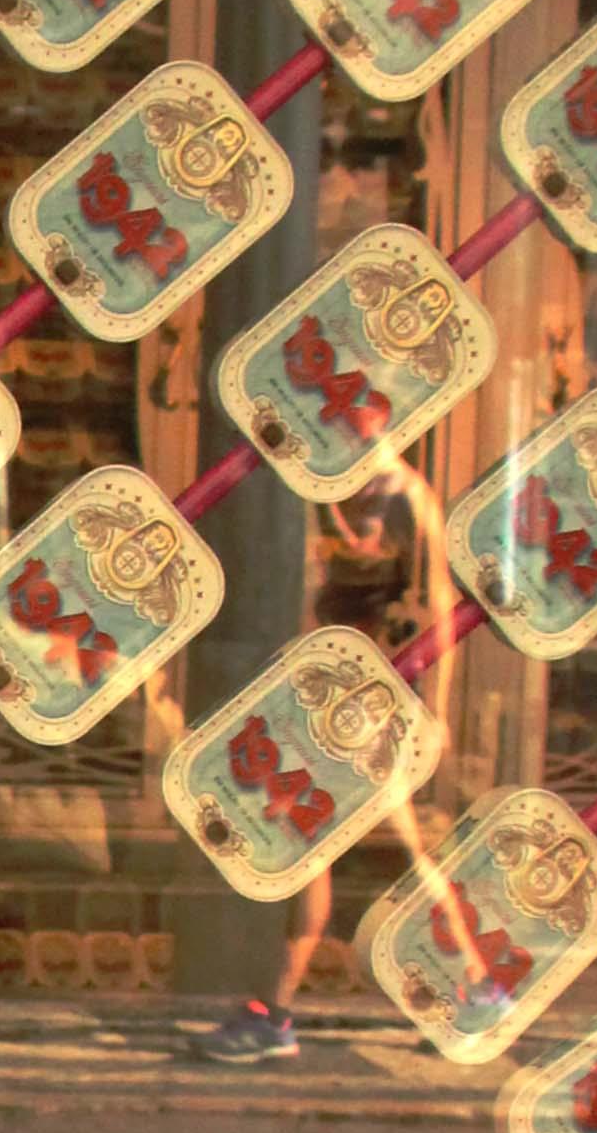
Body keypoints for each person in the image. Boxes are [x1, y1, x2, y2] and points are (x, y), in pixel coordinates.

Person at [184, 450, 456, 1069]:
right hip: (325, 701)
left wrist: (434, 712)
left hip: (372, 708)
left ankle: (276, 1013)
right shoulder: (326, 489)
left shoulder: (405, 497)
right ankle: (276, 1012)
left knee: (386, 853)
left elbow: (438, 609)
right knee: (328, 853)